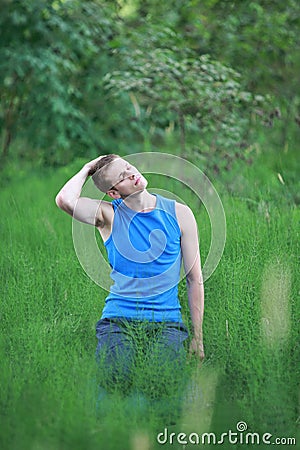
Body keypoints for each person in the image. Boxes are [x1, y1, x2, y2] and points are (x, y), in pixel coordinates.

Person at [55, 154, 204, 400]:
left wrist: (197, 338)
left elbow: (194, 279)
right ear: (114, 192)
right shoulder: (108, 216)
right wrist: (87, 168)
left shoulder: (181, 213)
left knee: (163, 386)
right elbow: (64, 200)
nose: (131, 174)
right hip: (119, 320)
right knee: (115, 382)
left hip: (166, 322)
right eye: (122, 177)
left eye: (128, 167)